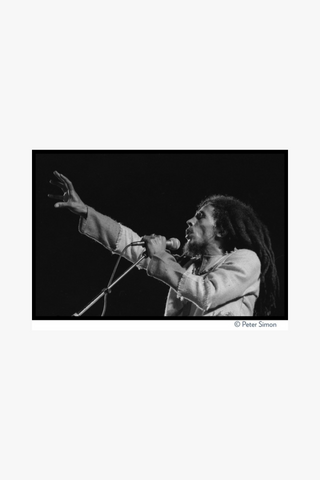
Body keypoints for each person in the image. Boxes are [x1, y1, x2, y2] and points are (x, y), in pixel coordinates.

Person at [49, 171, 279, 317]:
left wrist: (161, 258)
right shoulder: (188, 269)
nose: (189, 221)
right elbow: (129, 241)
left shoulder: (245, 259)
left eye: (200, 217)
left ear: (222, 229)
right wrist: (88, 212)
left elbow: (207, 294)